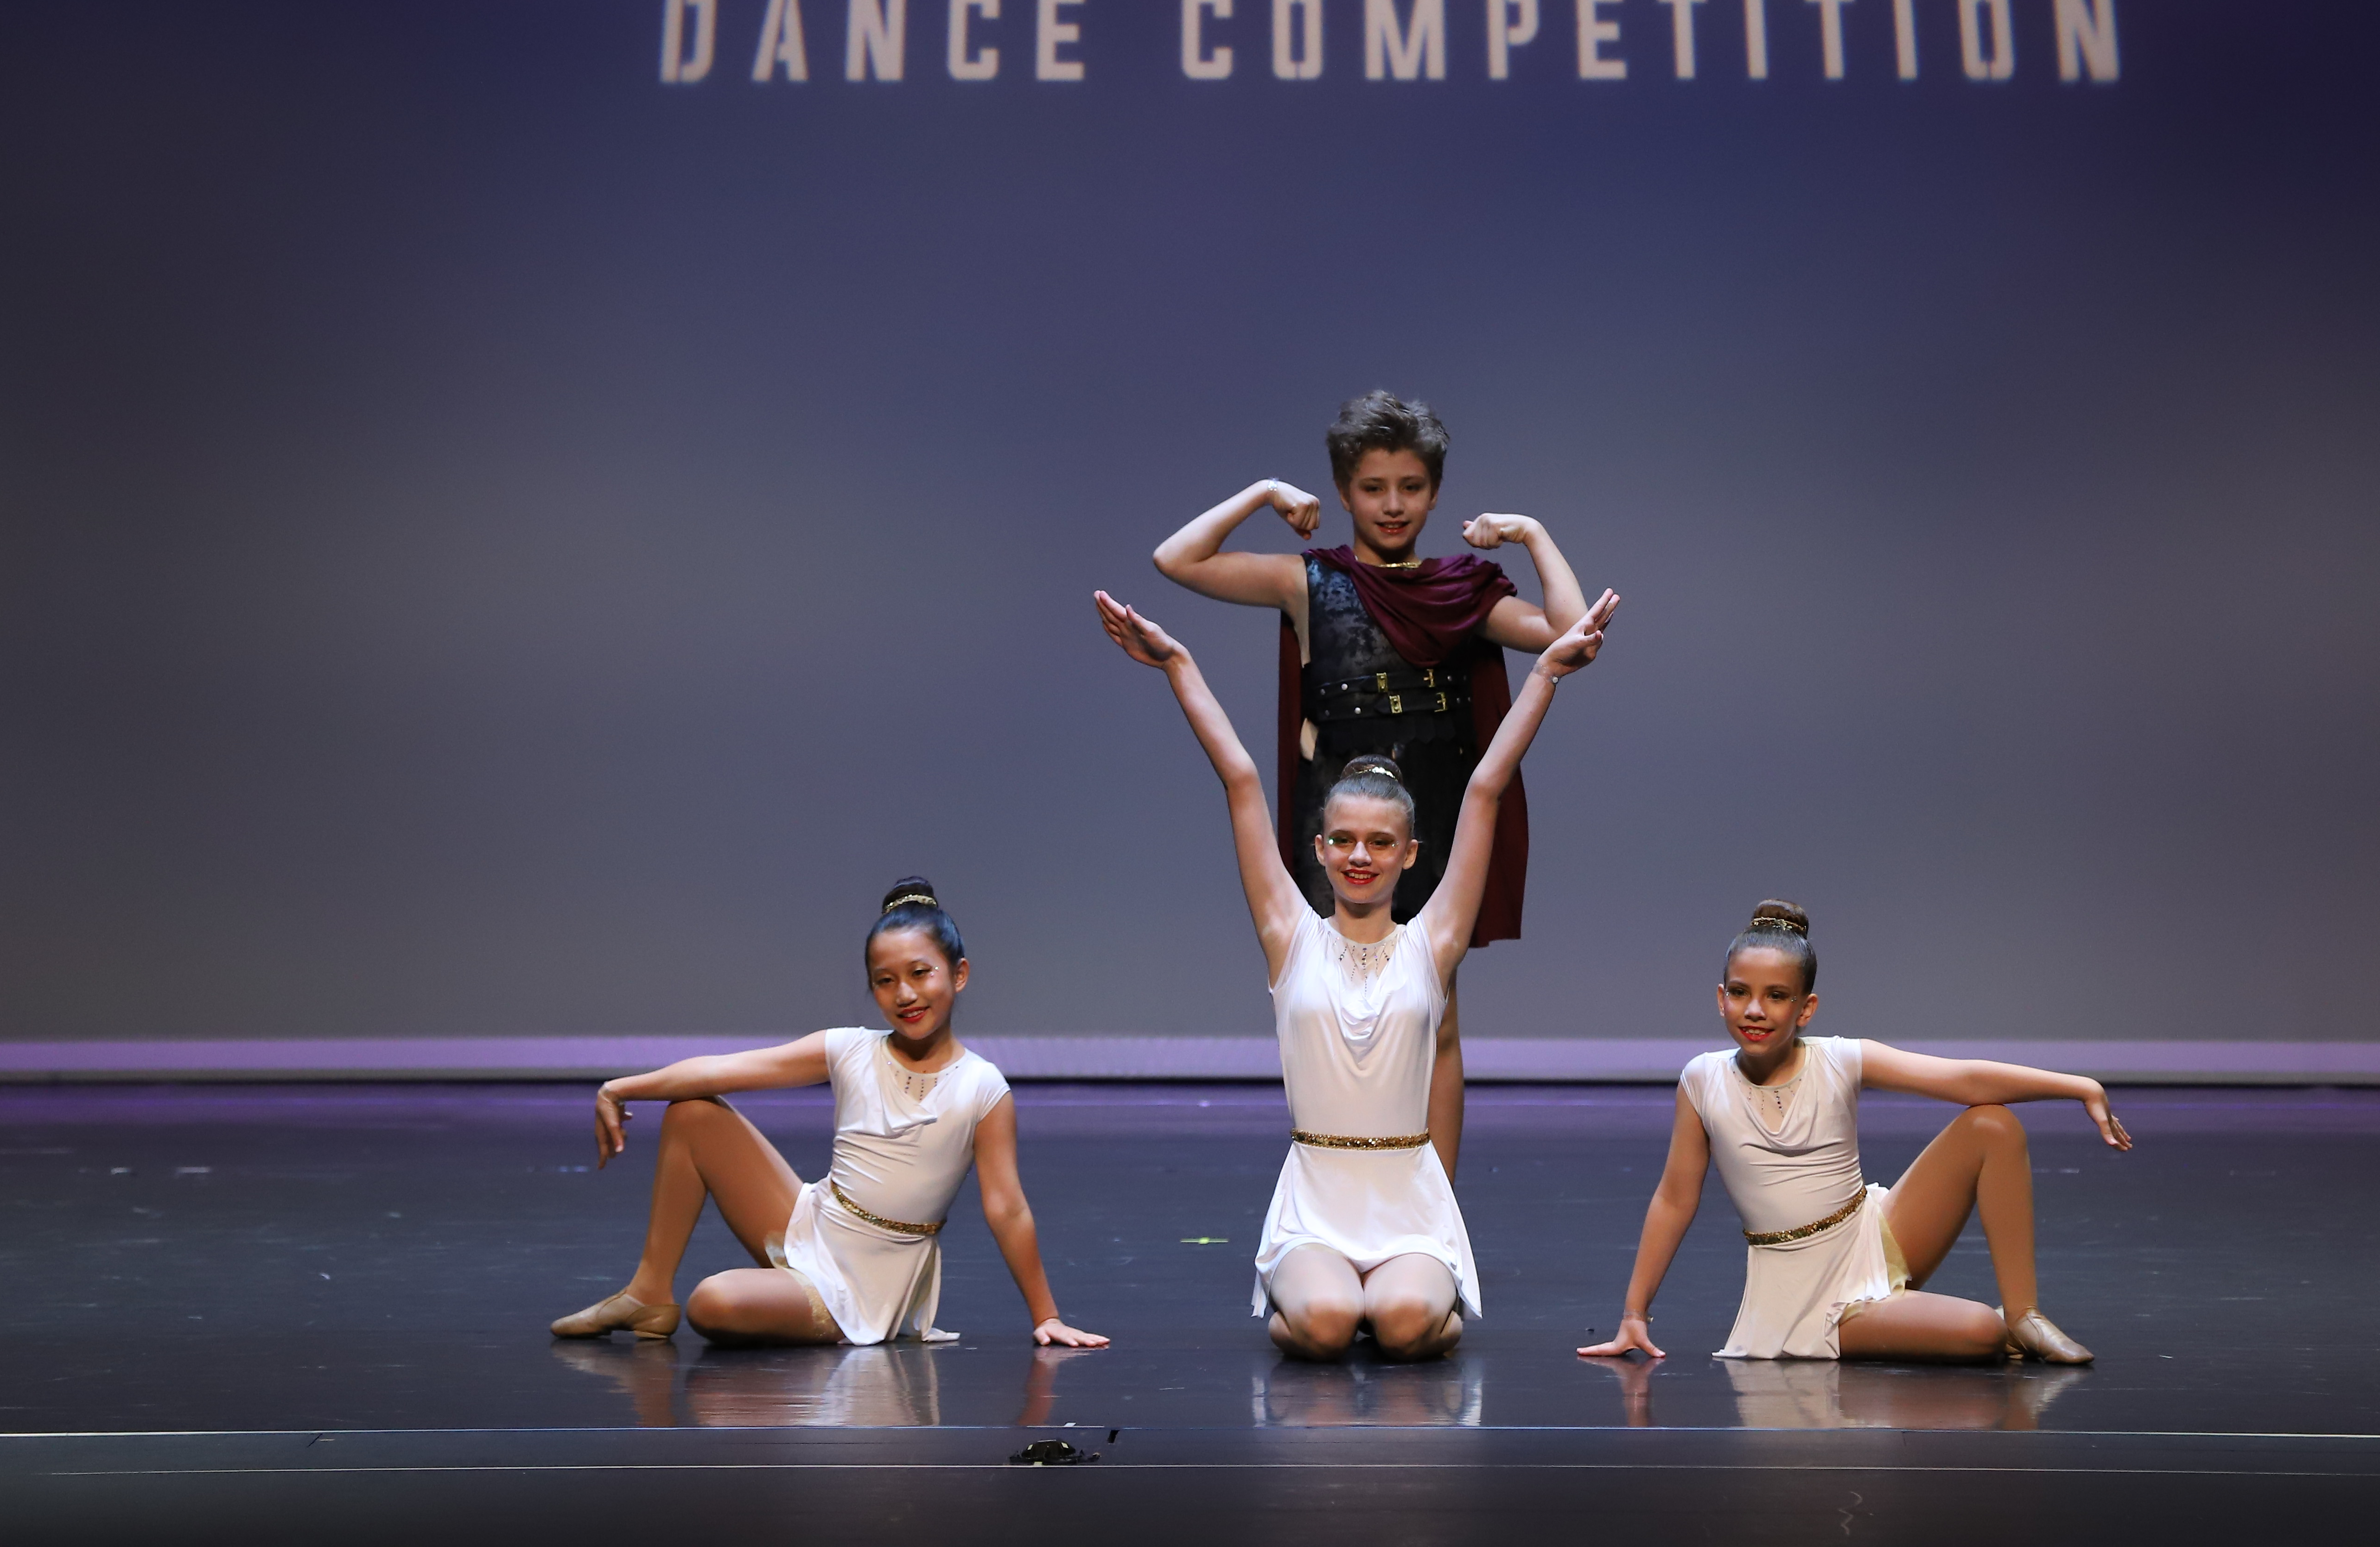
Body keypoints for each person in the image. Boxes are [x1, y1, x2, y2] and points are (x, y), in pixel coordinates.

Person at [1095, 582, 1618, 1361]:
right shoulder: (1289, 935)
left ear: (1409, 854)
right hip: (1316, 1203)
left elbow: (1485, 788)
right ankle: (1331, 1302)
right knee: (1329, 1325)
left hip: (1409, 1205)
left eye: (1379, 842)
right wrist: (1179, 665)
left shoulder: (1434, 942)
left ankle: (1414, 1306)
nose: (1360, 856)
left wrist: (1543, 674)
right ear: (1320, 848)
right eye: (1343, 840)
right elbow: (1241, 779)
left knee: (1404, 1325)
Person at [1151, 391, 1591, 1176]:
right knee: (1324, 1008)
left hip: (1432, 821)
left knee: (1436, 1018)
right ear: (1344, 490)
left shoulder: (1460, 590)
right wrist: (1263, 493)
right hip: (1337, 820)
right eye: (1373, 487)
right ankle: (1338, 1183)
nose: (1393, 505)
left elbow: (1570, 633)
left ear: (1436, 491)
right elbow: (1176, 560)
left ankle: (1435, 1203)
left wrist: (1531, 532)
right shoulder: (1308, 580)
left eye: (1411, 487)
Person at [547, 879, 1107, 1350]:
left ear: (958, 974)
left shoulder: (983, 1087)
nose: (905, 994)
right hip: (811, 1221)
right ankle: (648, 1293)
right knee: (693, 1113)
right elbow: (724, 1069)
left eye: (920, 973)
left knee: (714, 1301)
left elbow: (1007, 1207)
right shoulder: (849, 1048)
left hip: (865, 1280)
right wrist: (621, 1087)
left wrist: (1047, 1315)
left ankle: (802, 1304)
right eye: (885, 980)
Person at [1579, 902, 2130, 1367]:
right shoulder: (1702, 1079)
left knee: (1992, 1124)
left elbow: (1963, 1078)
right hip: (1806, 1293)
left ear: (1806, 1008)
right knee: (1981, 1331)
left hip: (1873, 1232)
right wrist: (1634, 1312)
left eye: (1777, 995)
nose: (1755, 1009)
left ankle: (2025, 1314)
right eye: (1741, 992)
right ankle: (1979, 1325)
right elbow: (1675, 1198)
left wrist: (2077, 1086)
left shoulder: (1839, 1059)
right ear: (1721, 997)